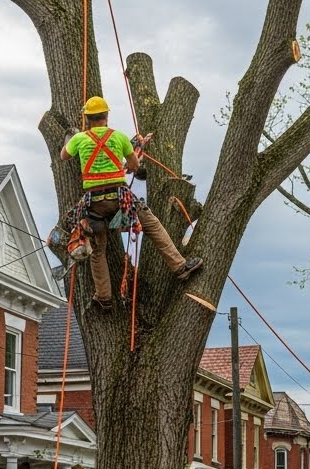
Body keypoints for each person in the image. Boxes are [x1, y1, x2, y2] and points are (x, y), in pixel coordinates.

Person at [58, 95, 202, 310]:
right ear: (106, 116)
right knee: (152, 225)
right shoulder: (119, 137)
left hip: (94, 203)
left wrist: (74, 138)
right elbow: (134, 166)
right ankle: (180, 267)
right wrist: (131, 157)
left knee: (98, 249)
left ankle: (104, 297)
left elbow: (63, 156)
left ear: (87, 118)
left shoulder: (79, 139)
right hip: (120, 198)